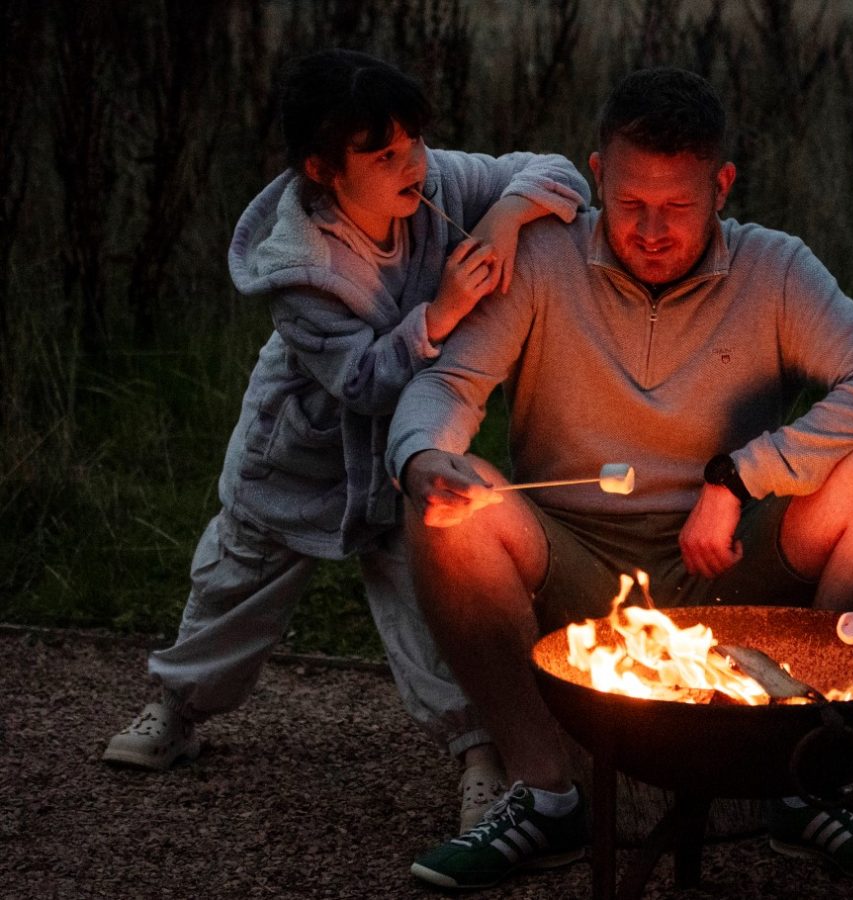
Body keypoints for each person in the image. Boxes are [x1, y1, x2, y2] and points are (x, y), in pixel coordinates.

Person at [387, 67, 853, 890]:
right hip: (570, 575)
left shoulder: (775, 270)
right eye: (630, 202)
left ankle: (810, 780)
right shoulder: (541, 261)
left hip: (726, 574)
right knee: (448, 508)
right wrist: (426, 457)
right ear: (596, 175)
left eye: (677, 207)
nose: (650, 230)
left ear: (721, 186)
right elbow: (446, 387)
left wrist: (741, 476)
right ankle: (546, 795)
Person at [102, 48, 592, 834]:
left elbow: (559, 171)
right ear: (324, 169)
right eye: (384, 154)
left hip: (401, 463)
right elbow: (361, 381)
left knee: (437, 605)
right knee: (234, 584)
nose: (413, 165)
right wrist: (442, 313)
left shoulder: (439, 183)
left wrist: (506, 216)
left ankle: (479, 755)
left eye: (415, 144)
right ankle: (177, 707)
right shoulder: (297, 267)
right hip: (296, 457)